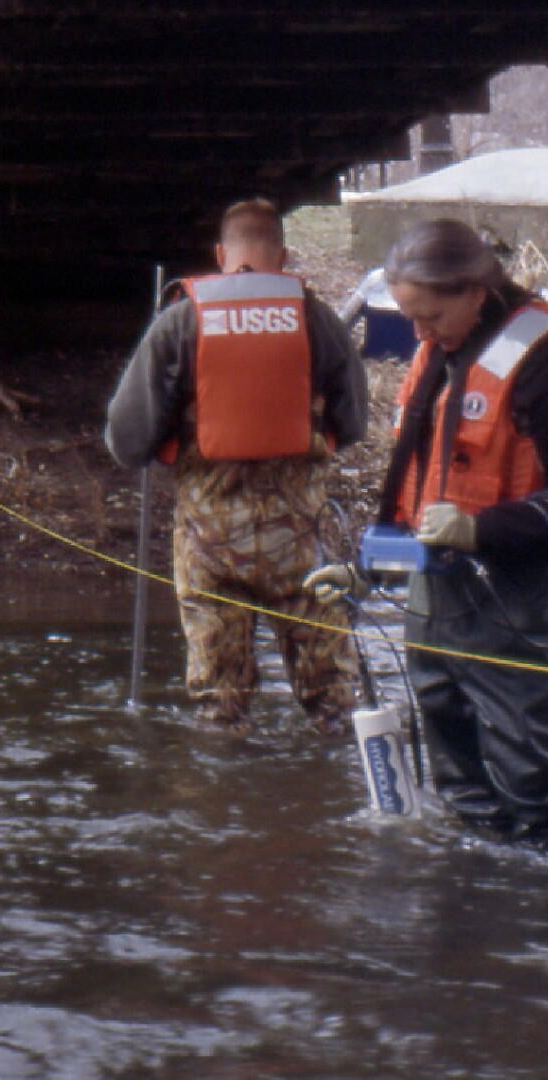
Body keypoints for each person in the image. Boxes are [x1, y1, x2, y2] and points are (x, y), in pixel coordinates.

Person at [306, 219, 548, 854]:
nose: (418, 333)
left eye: (431, 317)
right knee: (460, 788)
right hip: (441, 606)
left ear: (477, 293)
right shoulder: (435, 356)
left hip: (530, 608)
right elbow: (411, 486)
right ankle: (475, 921)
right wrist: (367, 570)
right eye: (410, 317)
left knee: (538, 787)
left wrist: (482, 530)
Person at [105, 198, 367, 735]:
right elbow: (354, 422)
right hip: (302, 543)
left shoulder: (180, 321)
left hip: (209, 543)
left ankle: (219, 800)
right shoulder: (316, 319)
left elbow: (127, 442)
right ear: (283, 254)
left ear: (221, 253)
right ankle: (342, 796)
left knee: (220, 709)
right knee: (336, 711)